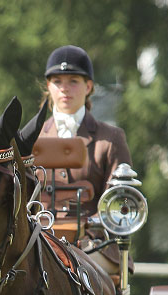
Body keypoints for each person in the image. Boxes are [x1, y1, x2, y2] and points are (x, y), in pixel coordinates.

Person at [37, 45, 133, 274]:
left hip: (96, 246)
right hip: (40, 242)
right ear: (48, 87)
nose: (64, 89)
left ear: (88, 86)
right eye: (57, 81)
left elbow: (122, 203)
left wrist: (86, 227)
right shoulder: (32, 139)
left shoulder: (110, 139)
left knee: (67, 268)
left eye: (73, 81)